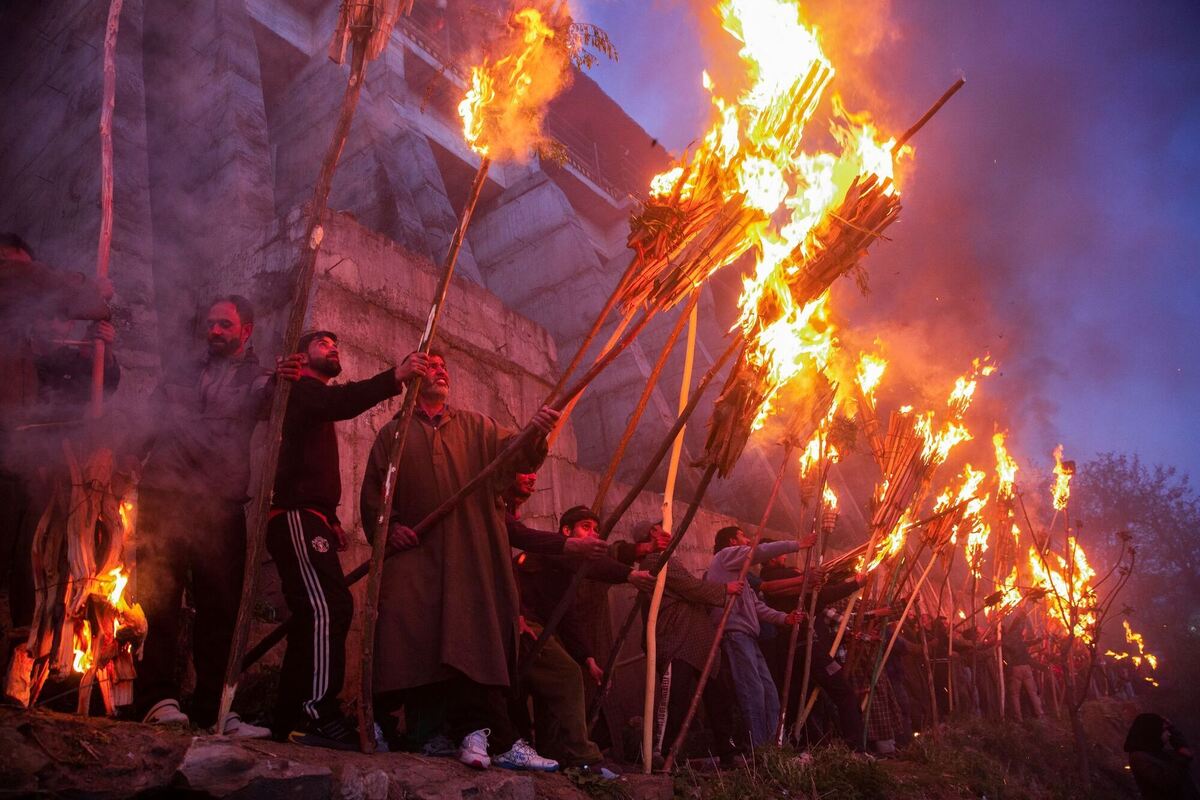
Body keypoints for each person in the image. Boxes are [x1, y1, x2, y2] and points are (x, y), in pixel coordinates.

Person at [360, 352, 575, 771]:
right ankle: (402, 726)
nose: (440, 370)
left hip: (471, 549)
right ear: (414, 378)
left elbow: (515, 458)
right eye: (431, 364)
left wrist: (535, 433)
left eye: (444, 366)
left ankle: (484, 734)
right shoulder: (394, 434)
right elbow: (375, 494)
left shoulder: (478, 426)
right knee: (408, 633)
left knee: (471, 633)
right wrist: (391, 528)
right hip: (417, 553)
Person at [268, 330, 427, 750]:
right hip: (295, 516)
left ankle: (286, 717)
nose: (332, 347)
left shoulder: (312, 400)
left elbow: (306, 463)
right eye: (322, 343)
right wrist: (396, 376)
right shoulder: (298, 390)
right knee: (328, 607)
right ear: (301, 357)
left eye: (334, 343)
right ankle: (316, 710)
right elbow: (341, 403)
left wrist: (331, 517)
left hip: (313, 517)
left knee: (315, 613)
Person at [132, 296, 276, 736]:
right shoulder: (179, 373)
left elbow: (291, 409)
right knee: (157, 598)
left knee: (221, 610)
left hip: (220, 504)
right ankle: (156, 699)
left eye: (224, 324)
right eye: (210, 323)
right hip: (165, 494)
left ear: (246, 331)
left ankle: (215, 710)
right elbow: (148, 424)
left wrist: (291, 378)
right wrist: (119, 463)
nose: (214, 331)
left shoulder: (262, 380)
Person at [512, 505, 654, 768]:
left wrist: (588, 658)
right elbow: (513, 579)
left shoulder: (567, 575)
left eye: (596, 530)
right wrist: (630, 574)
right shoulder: (552, 550)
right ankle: (583, 755)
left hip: (538, 632)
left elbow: (566, 618)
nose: (593, 535)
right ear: (567, 531)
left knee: (547, 693)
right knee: (566, 675)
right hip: (521, 627)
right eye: (585, 528)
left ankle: (550, 757)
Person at [638, 521, 744, 763]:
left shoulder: (671, 562)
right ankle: (661, 755)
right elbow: (690, 587)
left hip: (700, 643)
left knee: (719, 698)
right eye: (660, 527)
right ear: (652, 533)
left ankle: (727, 751)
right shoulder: (654, 562)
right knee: (675, 702)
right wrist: (723, 589)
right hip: (676, 640)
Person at [705, 526, 810, 748]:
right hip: (735, 633)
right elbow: (758, 551)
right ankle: (759, 749)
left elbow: (757, 606)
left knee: (768, 689)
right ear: (733, 541)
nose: (748, 540)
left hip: (748, 636)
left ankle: (773, 745)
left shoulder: (739, 574)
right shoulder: (725, 556)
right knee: (751, 689)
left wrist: (784, 618)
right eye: (743, 536)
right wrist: (797, 544)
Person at [1123, 712, 1200, 800]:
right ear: (1153, 732)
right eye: (1164, 730)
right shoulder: (1139, 758)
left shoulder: (1157, 752)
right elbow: (1167, 783)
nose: (1168, 734)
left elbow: (1183, 748)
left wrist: (1172, 729)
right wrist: (1182, 758)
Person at [1002, 600, 1044, 721]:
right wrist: (1022, 615)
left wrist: (1021, 616)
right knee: (1032, 692)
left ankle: (1018, 717)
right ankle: (1039, 713)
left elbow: (1021, 636)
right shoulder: (1017, 638)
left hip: (1016, 668)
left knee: (1015, 695)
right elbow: (1024, 638)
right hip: (1026, 668)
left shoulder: (1009, 639)